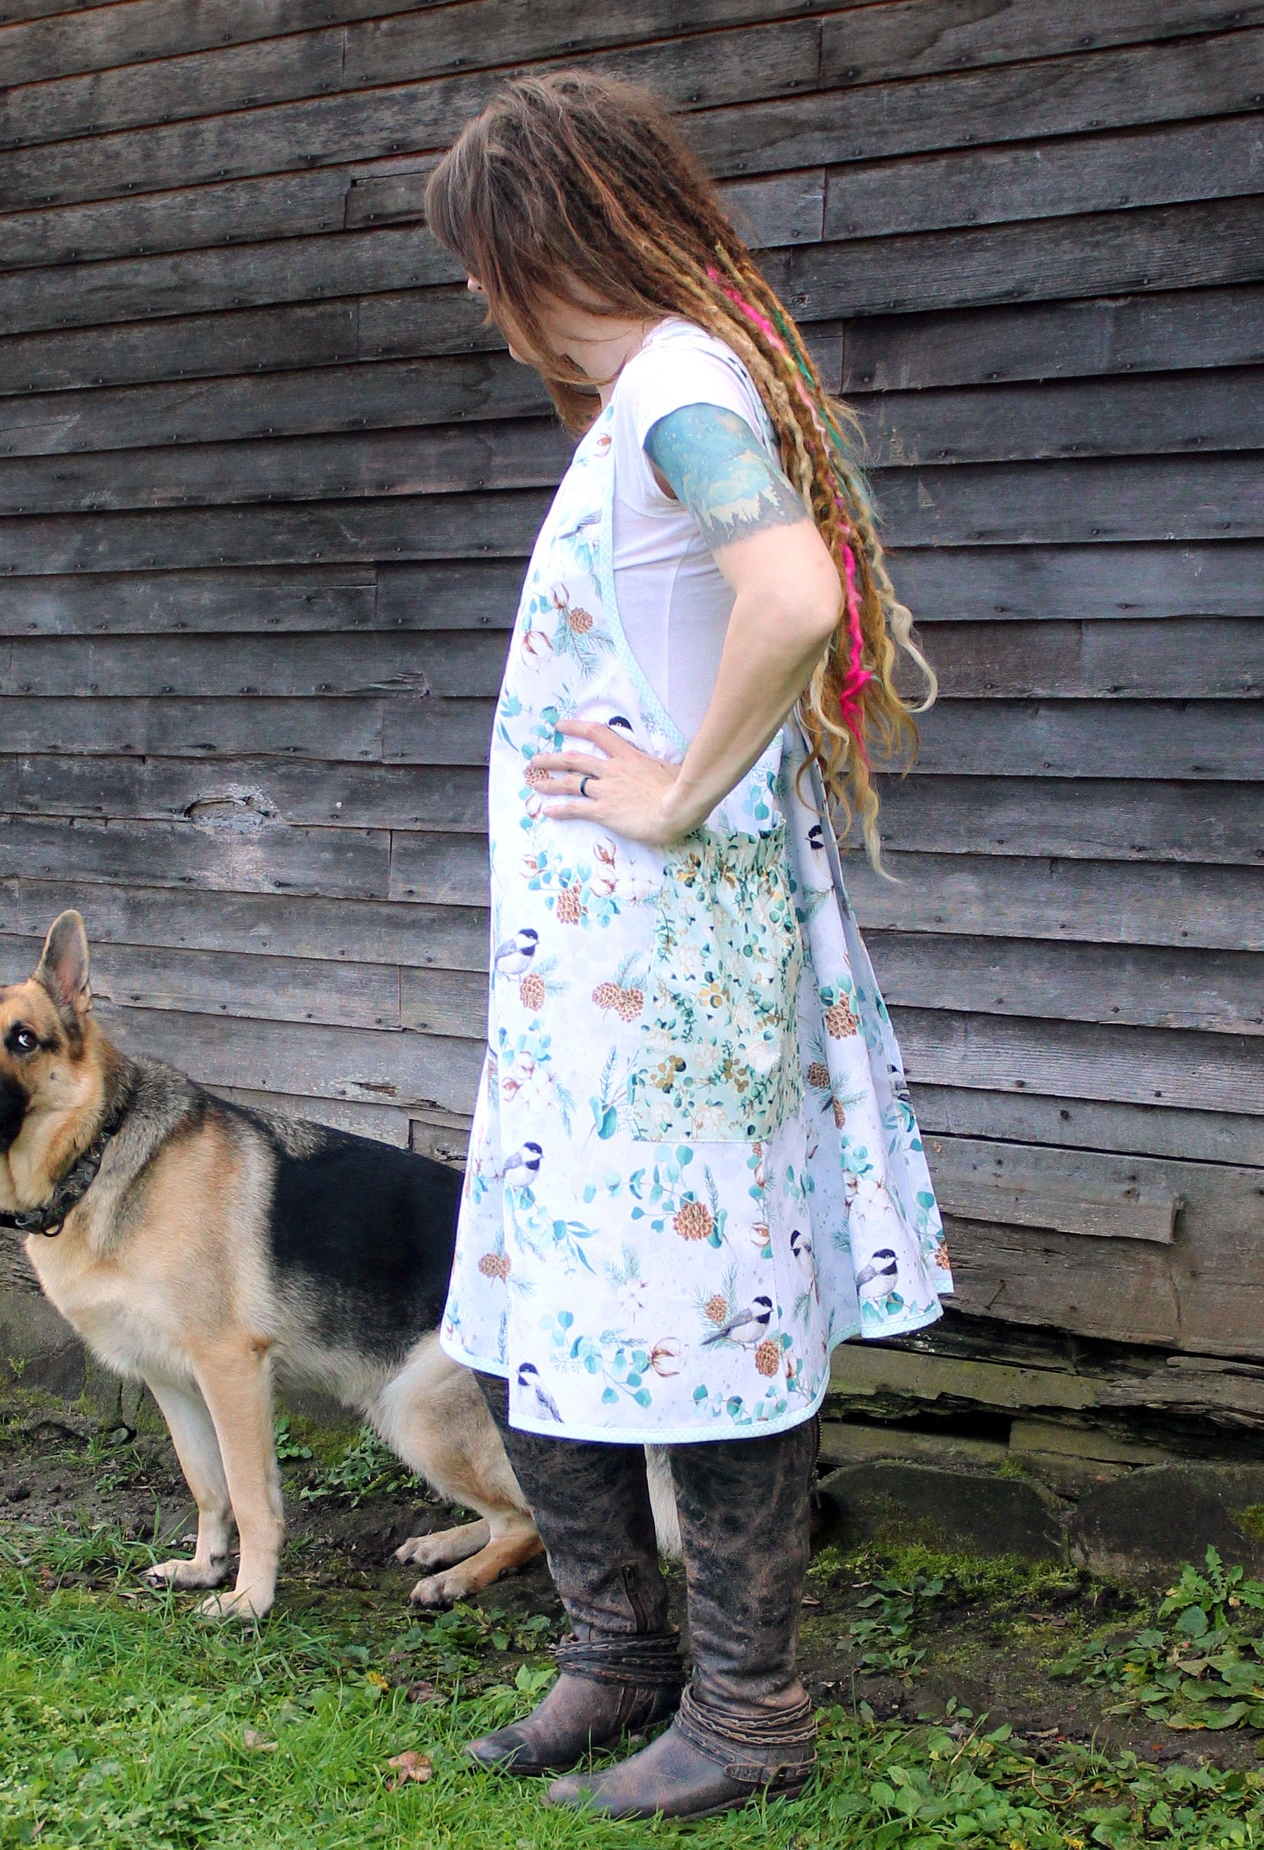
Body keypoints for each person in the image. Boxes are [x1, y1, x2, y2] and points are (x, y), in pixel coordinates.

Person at [423, 71, 952, 1821]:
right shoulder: (655, 393)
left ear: (527, 246)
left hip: (664, 972)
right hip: (590, 977)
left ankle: (745, 1709)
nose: (491, 321)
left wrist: (669, 795)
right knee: (535, 1307)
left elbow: (795, 596)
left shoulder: (678, 389)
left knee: (697, 1320)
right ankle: (619, 1657)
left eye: (482, 273)